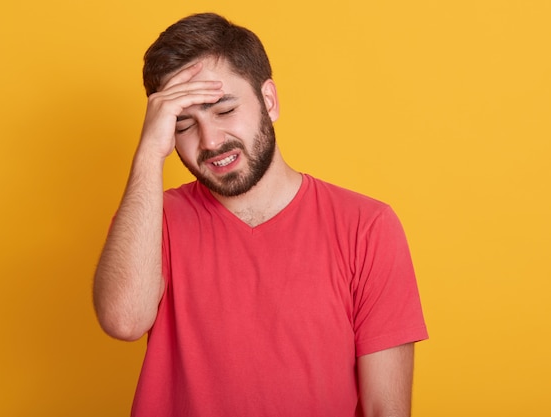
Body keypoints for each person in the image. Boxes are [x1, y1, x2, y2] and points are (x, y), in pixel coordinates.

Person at [93, 12, 428, 417]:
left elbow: (385, 409)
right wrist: (149, 154)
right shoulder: (151, 221)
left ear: (268, 101)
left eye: (223, 110)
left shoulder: (366, 226)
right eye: (184, 124)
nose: (210, 141)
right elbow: (124, 322)